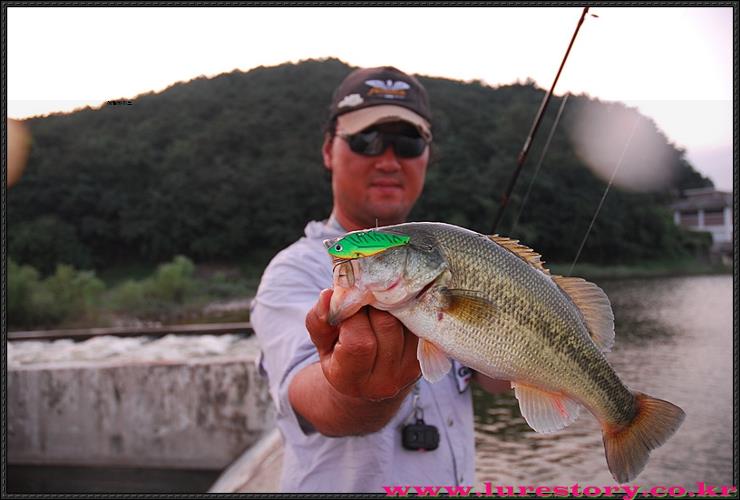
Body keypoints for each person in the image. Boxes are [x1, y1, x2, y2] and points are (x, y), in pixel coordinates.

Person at [250, 66, 508, 493]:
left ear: (427, 155)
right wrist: (356, 390)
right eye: (365, 140)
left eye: (408, 143)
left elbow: (496, 379)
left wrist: (526, 349)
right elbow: (313, 398)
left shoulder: (453, 261)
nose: (388, 161)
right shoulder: (293, 272)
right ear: (329, 150)